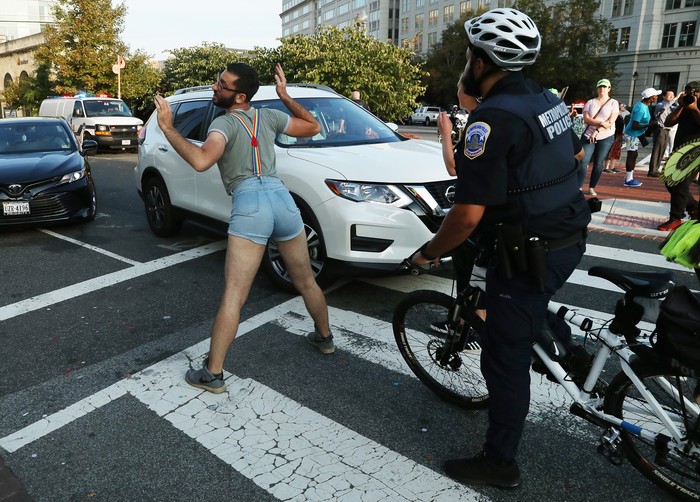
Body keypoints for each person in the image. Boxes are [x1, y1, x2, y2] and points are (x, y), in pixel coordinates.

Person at [411, 8, 590, 488]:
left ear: (482, 61)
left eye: (470, 53)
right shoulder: (544, 97)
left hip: (531, 250)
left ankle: (500, 463)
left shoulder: (489, 121)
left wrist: (427, 253)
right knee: (525, 307)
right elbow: (572, 152)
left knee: (504, 360)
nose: (466, 61)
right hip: (568, 233)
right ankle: (562, 344)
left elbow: (467, 216)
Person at [154, 63, 334, 394]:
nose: (214, 87)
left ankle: (213, 374)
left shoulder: (222, 124)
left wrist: (168, 128)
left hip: (250, 203)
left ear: (238, 95)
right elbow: (311, 127)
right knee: (306, 280)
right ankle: (324, 338)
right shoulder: (269, 116)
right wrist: (285, 98)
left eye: (221, 85)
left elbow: (201, 160)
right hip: (282, 199)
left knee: (235, 295)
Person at [657, 82, 700, 231]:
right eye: (688, 93)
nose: (691, 96)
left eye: (694, 93)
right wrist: (681, 105)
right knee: (670, 181)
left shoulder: (696, 108)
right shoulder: (685, 108)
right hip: (680, 150)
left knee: (680, 184)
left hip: (695, 152)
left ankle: (675, 218)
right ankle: (694, 207)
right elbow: (668, 122)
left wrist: (695, 109)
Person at [578, 79, 619, 196]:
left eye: (605, 87)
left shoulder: (613, 103)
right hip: (588, 135)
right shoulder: (590, 102)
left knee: (599, 163)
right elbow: (586, 119)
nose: (602, 89)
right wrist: (601, 124)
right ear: (597, 89)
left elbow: (611, 121)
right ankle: (578, 187)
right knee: (583, 162)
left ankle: (591, 187)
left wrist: (597, 130)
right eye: (600, 87)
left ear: (609, 89)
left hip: (605, 136)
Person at [622, 87, 662, 188]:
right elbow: (635, 125)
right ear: (651, 98)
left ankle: (629, 177)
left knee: (634, 155)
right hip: (632, 134)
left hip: (634, 134)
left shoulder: (642, 105)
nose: (657, 97)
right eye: (655, 96)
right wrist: (649, 125)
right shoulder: (641, 108)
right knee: (632, 155)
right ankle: (628, 179)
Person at [648, 89, 679, 177]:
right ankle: (652, 170)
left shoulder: (673, 106)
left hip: (667, 130)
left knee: (662, 151)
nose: (672, 97)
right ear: (664, 97)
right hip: (660, 129)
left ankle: (656, 169)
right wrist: (676, 98)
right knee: (657, 150)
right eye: (669, 95)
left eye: (673, 95)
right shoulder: (660, 105)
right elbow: (664, 107)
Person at [603, 103, 626, 174]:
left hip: (619, 135)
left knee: (616, 151)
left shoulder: (620, 116)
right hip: (615, 135)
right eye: (622, 106)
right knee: (611, 151)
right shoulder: (615, 116)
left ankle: (612, 167)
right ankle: (606, 167)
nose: (624, 107)